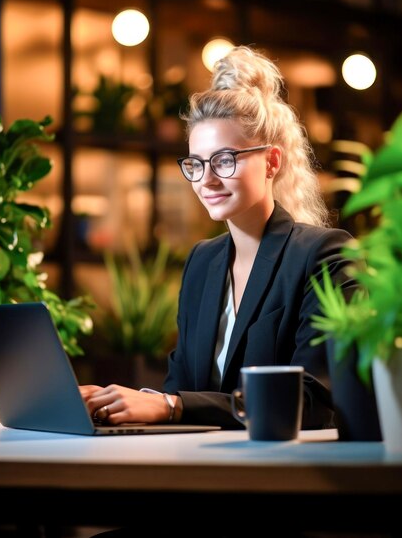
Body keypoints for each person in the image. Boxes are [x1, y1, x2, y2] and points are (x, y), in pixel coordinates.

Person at [80, 44, 355, 431]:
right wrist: (117, 403)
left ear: (272, 162)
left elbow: (313, 401)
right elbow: (181, 389)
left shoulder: (323, 255)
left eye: (225, 160)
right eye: (196, 163)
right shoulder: (202, 262)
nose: (206, 180)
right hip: (201, 467)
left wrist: (171, 406)